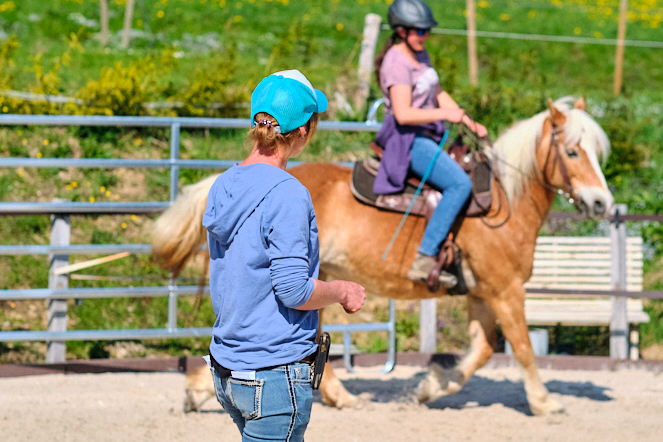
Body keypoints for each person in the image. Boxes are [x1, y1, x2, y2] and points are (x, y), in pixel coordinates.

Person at [202, 69, 366, 441]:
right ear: (305, 130)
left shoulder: (224, 184)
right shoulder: (287, 193)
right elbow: (293, 290)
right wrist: (341, 291)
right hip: (273, 371)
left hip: (229, 368)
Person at [373, 0, 488, 285]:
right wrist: (446, 114)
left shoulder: (420, 55)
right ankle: (424, 258)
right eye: (419, 31)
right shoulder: (396, 63)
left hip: (427, 133)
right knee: (460, 184)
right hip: (407, 139)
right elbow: (403, 113)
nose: (425, 36)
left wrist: (467, 121)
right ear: (401, 31)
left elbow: (438, 93)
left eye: (427, 31)